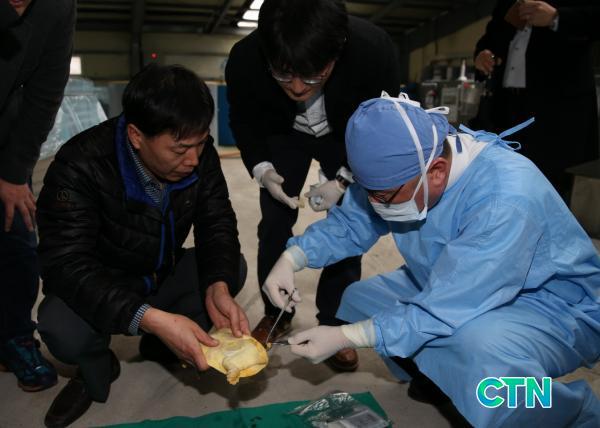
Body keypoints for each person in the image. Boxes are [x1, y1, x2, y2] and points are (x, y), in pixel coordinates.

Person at [263, 92, 600, 427]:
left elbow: (444, 305)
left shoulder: (505, 199)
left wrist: (348, 337)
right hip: (455, 280)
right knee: (361, 299)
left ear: (436, 171)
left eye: (384, 196)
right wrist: (292, 257)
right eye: (369, 192)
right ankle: (438, 375)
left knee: (478, 353)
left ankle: (567, 416)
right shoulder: (408, 169)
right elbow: (354, 222)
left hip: (552, 307)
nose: (375, 204)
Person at [35, 64, 250, 428]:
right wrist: (150, 318)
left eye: (200, 143)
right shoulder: (79, 165)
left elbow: (217, 223)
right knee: (60, 327)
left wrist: (218, 284)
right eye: (180, 149)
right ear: (136, 136)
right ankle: (96, 367)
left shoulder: (199, 154)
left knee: (231, 270)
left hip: (161, 272)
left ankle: (161, 343)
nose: (193, 159)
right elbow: (65, 264)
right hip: (104, 282)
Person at [225, 0, 400, 371]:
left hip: (347, 135)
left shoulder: (374, 51)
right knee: (275, 220)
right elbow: (243, 121)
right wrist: (262, 169)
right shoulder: (244, 59)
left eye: (313, 75)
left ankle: (334, 321)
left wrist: (345, 179)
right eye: (284, 75)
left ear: (338, 51)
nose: (297, 87)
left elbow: (382, 125)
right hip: (282, 134)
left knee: (350, 222)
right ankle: (275, 313)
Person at [0, 0, 75, 393]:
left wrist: (14, 173)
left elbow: (45, 91)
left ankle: (15, 337)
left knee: (17, 237)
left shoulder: (57, 6)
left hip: (8, 135)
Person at [473, 0, 600, 202]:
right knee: (505, 182)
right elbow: (490, 37)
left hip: (559, 112)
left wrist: (556, 18)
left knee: (554, 188)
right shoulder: (506, 3)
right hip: (507, 110)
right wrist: (482, 54)